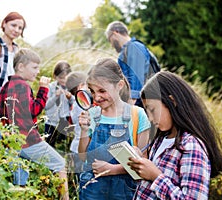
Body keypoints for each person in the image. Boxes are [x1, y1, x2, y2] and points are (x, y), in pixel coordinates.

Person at [128, 71, 222, 199]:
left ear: (172, 101)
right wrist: (141, 165)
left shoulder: (191, 146)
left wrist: (156, 176)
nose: (150, 118)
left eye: (153, 110)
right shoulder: (160, 139)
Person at [0, 48, 69, 200]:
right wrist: (43, 89)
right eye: (34, 67)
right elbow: (33, 110)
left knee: (20, 180)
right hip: (26, 142)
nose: (37, 71)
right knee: (60, 164)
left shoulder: (6, 87)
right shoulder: (23, 86)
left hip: (11, 143)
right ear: (21, 67)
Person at [78, 58, 151, 200]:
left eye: (102, 91)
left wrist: (112, 170)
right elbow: (83, 156)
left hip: (124, 190)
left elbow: (144, 161)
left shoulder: (137, 115)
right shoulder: (92, 114)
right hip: (92, 189)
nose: (97, 97)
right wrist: (84, 130)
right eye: (92, 91)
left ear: (119, 85)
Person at [105, 21, 157, 108]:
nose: (111, 44)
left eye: (109, 39)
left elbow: (136, 81)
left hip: (141, 105)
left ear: (115, 33)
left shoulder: (133, 47)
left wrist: (129, 109)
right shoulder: (128, 51)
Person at [45, 61, 74, 147]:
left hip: (65, 121)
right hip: (51, 122)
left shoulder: (71, 87)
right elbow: (46, 106)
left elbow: (75, 104)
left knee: (64, 145)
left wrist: (70, 98)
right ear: (55, 76)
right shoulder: (50, 87)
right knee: (49, 144)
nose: (63, 81)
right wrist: (55, 96)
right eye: (61, 78)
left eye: (66, 78)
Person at [65, 71, 87, 176]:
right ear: (80, 86)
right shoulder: (83, 103)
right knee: (83, 177)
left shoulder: (75, 102)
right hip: (81, 147)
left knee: (79, 177)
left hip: (75, 147)